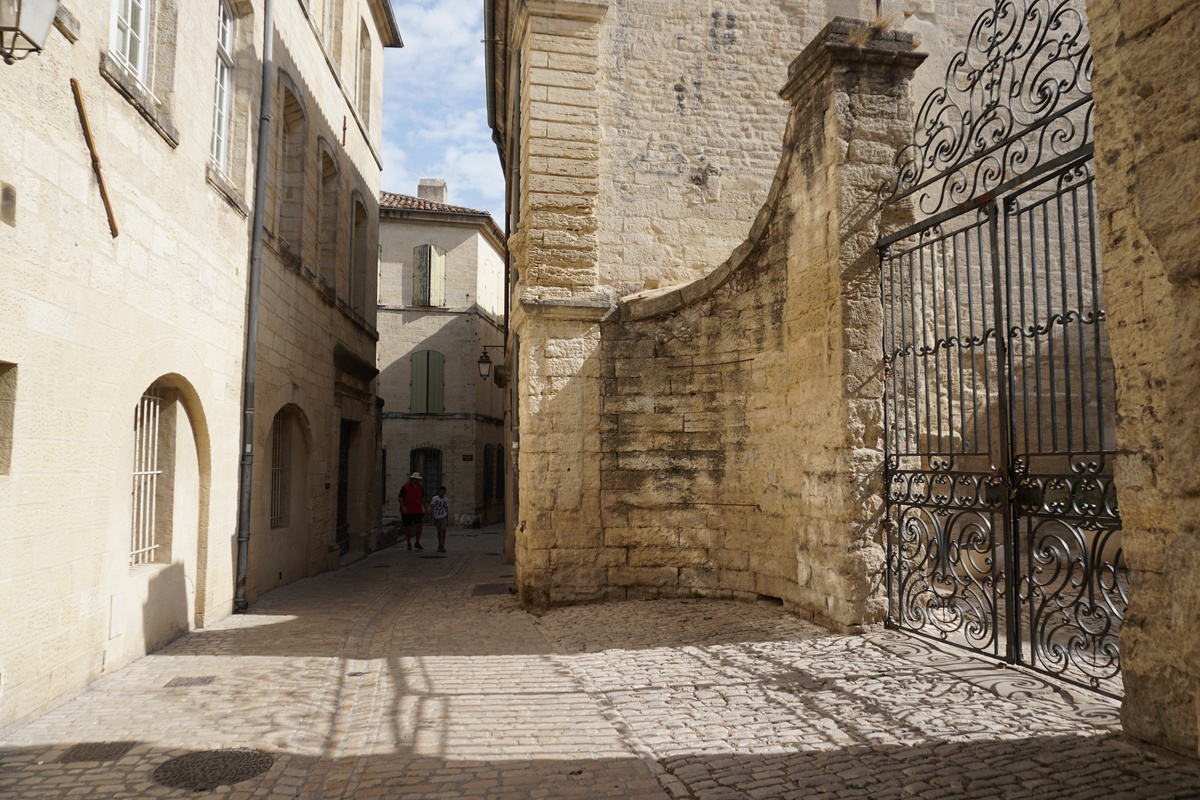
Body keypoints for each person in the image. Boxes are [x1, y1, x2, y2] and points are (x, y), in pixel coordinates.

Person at [398, 472, 425, 550]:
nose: (417, 481)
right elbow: (400, 497)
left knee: (419, 525)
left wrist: (423, 506)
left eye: (418, 480)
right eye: (416, 480)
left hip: (417, 509)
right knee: (407, 527)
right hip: (407, 510)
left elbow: (423, 497)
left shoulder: (420, 487)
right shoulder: (405, 487)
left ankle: (417, 542)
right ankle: (408, 543)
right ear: (412, 480)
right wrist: (403, 506)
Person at [430, 486, 450, 552]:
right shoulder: (434, 499)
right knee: (439, 531)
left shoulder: (446, 500)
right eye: (441, 492)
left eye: (443, 492)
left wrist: (447, 517)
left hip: (443, 515)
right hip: (437, 516)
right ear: (439, 492)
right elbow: (432, 507)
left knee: (443, 529)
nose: (442, 493)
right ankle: (440, 544)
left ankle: (443, 545)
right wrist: (432, 516)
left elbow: (446, 509)